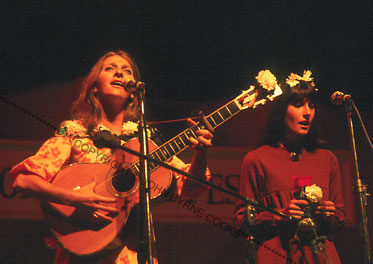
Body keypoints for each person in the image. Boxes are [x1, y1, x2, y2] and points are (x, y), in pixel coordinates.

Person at [10, 50, 213, 264]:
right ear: (94, 87)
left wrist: (201, 153)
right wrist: (75, 199)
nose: (119, 74)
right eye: (110, 69)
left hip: (134, 256)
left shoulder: (143, 144)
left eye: (127, 71)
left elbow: (189, 188)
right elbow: (24, 180)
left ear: (134, 91)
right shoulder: (75, 134)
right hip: (84, 251)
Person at [234, 70, 345, 263]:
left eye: (311, 106)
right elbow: (241, 221)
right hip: (276, 255)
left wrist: (329, 213)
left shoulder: (327, 159)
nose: (307, 112)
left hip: (321, 256)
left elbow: (341, 218)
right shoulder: (257, 159)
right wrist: (279, 216)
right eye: (298, 104)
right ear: (281, 110)